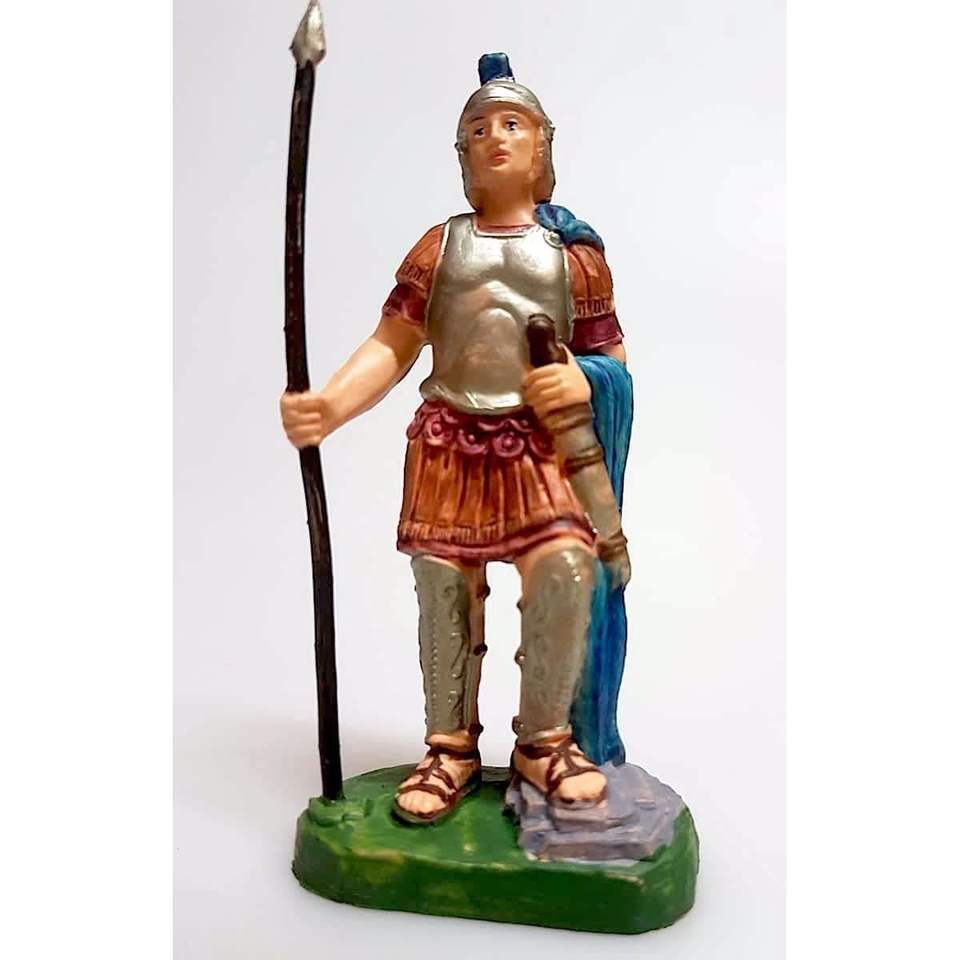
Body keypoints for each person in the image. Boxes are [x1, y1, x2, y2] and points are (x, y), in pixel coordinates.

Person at [281, 53, 631, 825]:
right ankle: (449, 749)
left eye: (512, 124)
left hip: (539, 447)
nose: (495, 137)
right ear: (462, 153)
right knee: (444, 587)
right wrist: (330, 406)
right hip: (450, 439)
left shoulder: (575, 258)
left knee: (565, 568)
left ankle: (545, 742)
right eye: (478, 128)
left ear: (542, 147)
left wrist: (585, 381)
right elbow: (393, 344)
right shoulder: (439, 249)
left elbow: (610, 357)